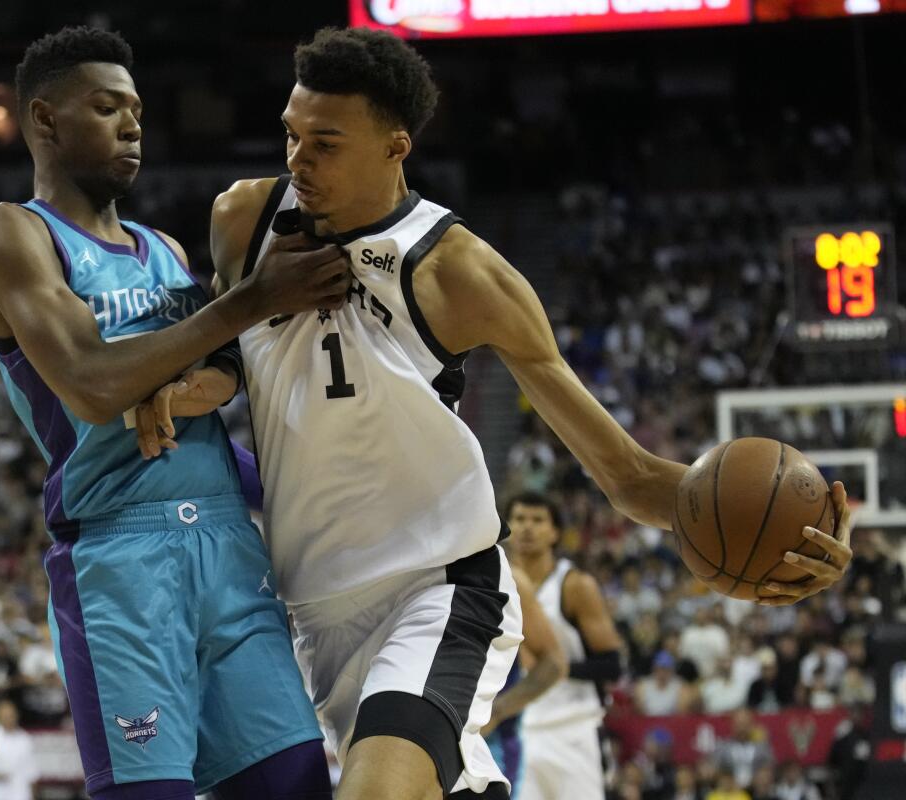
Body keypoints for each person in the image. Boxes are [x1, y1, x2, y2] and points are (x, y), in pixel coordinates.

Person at [136, 26, 854, 800]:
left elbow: (627, 475)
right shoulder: (243, 219)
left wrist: (778, 542)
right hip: (308, 602)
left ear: (395, 145)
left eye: (326, 143)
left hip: (438, 586)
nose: (298, 160)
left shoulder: (461, 272)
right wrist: (181, 388)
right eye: (290, 134)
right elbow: (233, 362)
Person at [0, 26, 343, 800]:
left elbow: (227, 369)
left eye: (136, 109)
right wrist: (252, 300)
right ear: (44, 120)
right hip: (120, 558)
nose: (133, 125)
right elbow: (93, 385)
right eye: (107, 108)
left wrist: (176, 389)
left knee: (298, 781)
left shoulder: (165, 249)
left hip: (228, 545)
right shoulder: (11, 233)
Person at [504, 493, 624, 799]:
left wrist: (550, 667)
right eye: (519, 519)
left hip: (574, 728)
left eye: (537, 520)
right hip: (523, 728)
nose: (527, 528)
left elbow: (612, 664)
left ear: (555, 532)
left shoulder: (574, 585)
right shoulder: (501, 585)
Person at [481, 566, 569, 789]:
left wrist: (497, 711)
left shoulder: (507, 576)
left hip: (490, 744)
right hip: (423, 730)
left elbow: (553, 664)